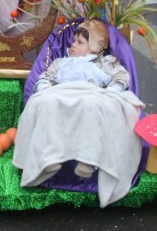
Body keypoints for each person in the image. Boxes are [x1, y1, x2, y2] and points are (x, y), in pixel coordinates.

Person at [13, 19, 145, 207]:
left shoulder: (106, 63)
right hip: (61, 94)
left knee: (93, 106)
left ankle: (88, 159)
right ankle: (49, 157)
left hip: (90, 94)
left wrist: (112, 91)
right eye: (73, 41)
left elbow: (122, 77)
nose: (72, 45)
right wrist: (45, 88)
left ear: (95, 47)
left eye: (80, 42)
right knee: (47, 103)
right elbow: (45, 77)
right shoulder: (61, 63)